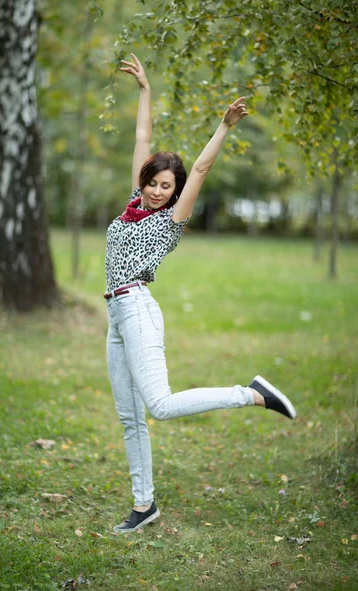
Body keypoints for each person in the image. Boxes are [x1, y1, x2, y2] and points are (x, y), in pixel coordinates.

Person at [104, 54, 297, 533]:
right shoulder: (133, 204)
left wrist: (223, 127)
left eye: (165, 186)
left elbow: (204, 169)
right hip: (116, 316)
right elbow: (142, 140)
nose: (155, 190)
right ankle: (144, 506)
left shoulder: (170, 221)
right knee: (131, 418)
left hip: (139, 310)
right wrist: (146, 91)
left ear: (175, 193)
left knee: (161, 406)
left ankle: (250, 394)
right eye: (152, 182)